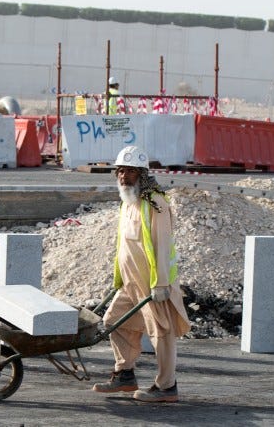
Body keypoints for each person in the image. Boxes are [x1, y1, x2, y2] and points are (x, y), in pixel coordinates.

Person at [92, 145, 191, 403]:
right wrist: (118, 279)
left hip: (152, 284)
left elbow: (162, 245)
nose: (124, 176)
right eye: (120, 171)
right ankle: (124, 375)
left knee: (161, 333)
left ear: (143, 174)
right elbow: (123, 246)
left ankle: (166, 387)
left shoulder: (155, 204)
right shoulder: (127, 203)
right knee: (113, 320)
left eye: (131, 171)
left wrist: (160, 284)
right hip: (130, 283)